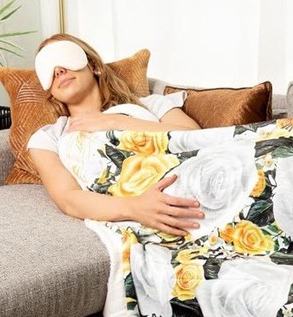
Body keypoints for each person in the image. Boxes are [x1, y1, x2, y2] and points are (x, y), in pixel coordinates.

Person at [27, 34, 204, 236]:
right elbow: (69, 199)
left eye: (66, 58)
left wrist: (114, 121)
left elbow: (199, 138)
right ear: (49, 89)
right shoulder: (48, 138)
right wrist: (134, 207)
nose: (59, 70)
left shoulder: (150, 105)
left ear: (94, 66)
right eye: (49, 68)